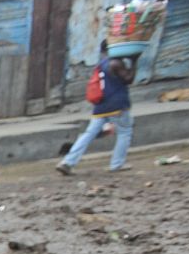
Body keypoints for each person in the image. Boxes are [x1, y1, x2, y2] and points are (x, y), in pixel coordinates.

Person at [57, 40, 136, 175]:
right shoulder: (116, 63)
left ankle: (67, 162)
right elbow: (129, 79)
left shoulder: (100, 64)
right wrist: (134, 61)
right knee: (125, 132)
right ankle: (117, 164)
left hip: (100, 106)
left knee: (88, 134)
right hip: (117, 104)